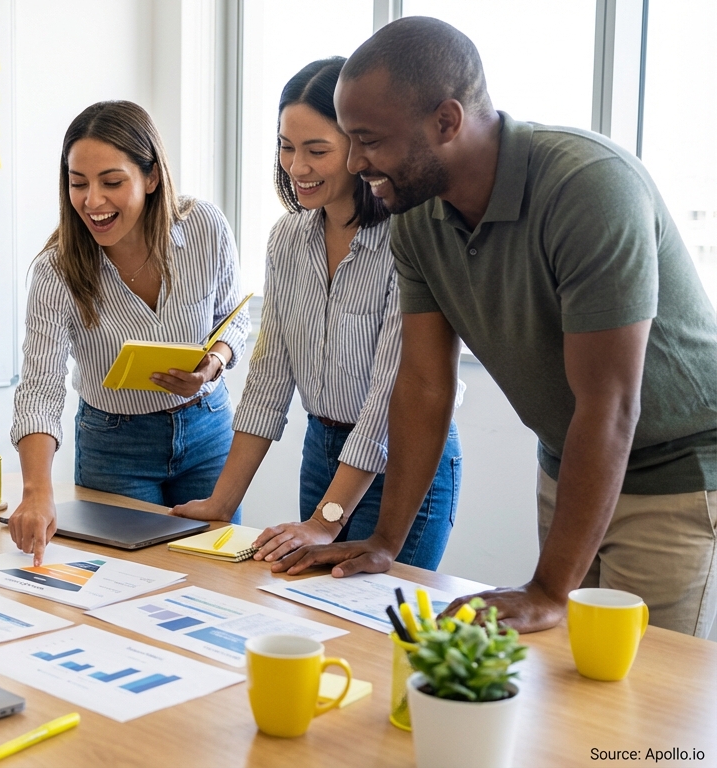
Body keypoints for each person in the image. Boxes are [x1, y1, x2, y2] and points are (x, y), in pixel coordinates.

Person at [276, 17, 717, 637]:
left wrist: (545, 588)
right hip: (569, 462)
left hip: (673, 473)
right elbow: (425, 384)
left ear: (447, 122)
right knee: (561, 683)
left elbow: (610, 404)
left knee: (640, 702)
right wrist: (383, 541)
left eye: (369, 140)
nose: (354, 162)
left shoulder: (588, 187)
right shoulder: (417, 216)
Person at [171, 57, 462, 570]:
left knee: (385, 625)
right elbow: (268, 379)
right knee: (321, 615)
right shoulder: (287, 239)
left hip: (404, 457)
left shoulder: (408, 237)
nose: (296, 167)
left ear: (360, 150)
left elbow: (391, 393)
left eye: (316, 150)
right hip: (323, 449)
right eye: (286, 146)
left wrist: (326, 520)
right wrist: (221, 501)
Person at [7, 100, 249, 566]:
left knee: (215, 575)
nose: (92, 201)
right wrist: (37, 491)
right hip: (115, 445)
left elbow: (234, 317)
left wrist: (213, 361)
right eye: (78, 184)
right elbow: (40, 387)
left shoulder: (204, 227)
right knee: (121, 579)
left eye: (112, 182)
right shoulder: (56, 271)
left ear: (152, 177)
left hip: (208, 427)